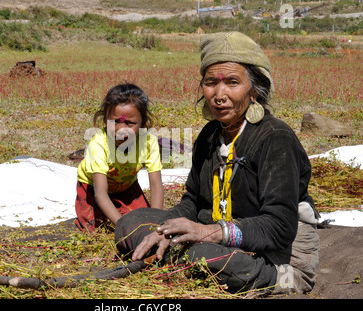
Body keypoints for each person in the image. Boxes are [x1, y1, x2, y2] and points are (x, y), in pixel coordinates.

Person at [115, 32, 320, 294]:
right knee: (130, 222)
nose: (219, 94)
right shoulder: (210, 136)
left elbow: (279, 227)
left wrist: (208, 232)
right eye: (211, 83)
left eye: (232, 82)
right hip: (217, 238)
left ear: (255, 89)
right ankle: (182, 252)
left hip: (277, 255)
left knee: (204, 257)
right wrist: (163, 230)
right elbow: (193, 200)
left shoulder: (275, 138)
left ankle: (273, 277)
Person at [75, 83, 164, 232]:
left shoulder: (148, 143)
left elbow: (156, 186)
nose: (121, 129)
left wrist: (156, 221)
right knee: (96, 227)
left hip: (126, 187)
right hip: (93, 187)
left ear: (143, 124)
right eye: (115, 122)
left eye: (130, 123)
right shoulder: (98, 145)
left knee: (143, 220)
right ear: (105, 120)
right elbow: (100, 193)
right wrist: (124, 227)